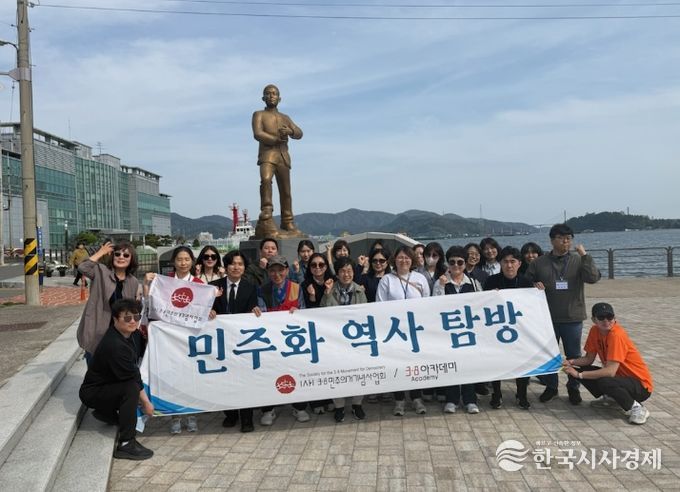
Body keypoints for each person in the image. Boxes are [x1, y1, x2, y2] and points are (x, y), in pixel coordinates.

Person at [525, 223, 601, 405]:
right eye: (561, 238)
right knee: (549, 354)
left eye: (568, 238)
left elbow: (593, 278)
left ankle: (573, 388)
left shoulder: (578, 260)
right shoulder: (539, 262)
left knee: (573, 355)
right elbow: (526, 281)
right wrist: (533, 284)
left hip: (572, 317)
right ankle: (551, 387)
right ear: (552, 240)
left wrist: (585, 256)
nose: (566, 242)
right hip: (547, 318)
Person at [79, 299, 154, 460]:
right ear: (115, 319)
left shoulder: (131, 335)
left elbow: (135, 368)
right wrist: (146, 403)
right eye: (127, 318)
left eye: (136, 317)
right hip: (93, 393)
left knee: (131, 386)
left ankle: (106, 413)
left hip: (107, 385)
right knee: (131, 389)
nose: (133, 321)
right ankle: (126, 443)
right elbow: (132, 377)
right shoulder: (114, 345)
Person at [144, 245, 204, 434]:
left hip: (189, 338)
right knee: (173, 377)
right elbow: (151, 305)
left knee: (191, 377)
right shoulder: (164, 282)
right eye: (179, 259)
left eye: (187, 259)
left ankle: (191, 415)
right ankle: (175, 416)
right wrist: (146, 286)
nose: (183, 263)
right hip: (169, 338)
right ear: (173, 262)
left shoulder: (199, 284)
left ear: (192, 262)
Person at [562, 303, 653, 425]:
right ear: (594, 320)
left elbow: (610, 372)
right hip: (621, 379)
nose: (606, 321)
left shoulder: (616, 335)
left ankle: (636, 408)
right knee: (577, 368)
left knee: (605, 381)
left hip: (641, 386)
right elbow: (588, 359)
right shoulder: (595, 331)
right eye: (601, 317)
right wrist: (570, 362)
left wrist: (579, 375)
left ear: (614, 318)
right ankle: (613, 399)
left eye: (609, 317)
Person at [209, 251, 260, 433]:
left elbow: (253, 308)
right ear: (226, 266)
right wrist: (209, 311)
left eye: (240, 264)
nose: (236, 267)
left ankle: (247, 418)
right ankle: (230, 414)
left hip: (242, 342)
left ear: (244, 268)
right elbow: (205, 308)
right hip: (220, 342)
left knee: (244, 379)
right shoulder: (213, 287)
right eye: (232, 263)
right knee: (224, 379)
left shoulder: (250, 287)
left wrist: (255, 310)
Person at [376, 245, 430, 416]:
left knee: (415, 365)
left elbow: (428, 303)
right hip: (395, 331)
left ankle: (416, 398)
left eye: (407, 257)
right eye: (400, 257)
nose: (404, 260)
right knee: (397, 365)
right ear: (394, 260)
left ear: (412, 260)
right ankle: (399, 400)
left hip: (415, 330)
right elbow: (380, 305)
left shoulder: (420, 278)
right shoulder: (386, 280)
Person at [256, 255, 310, 425]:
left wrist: (298, 312)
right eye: (272, 270)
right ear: (268, 272)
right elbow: (262, 313)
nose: (277, 274)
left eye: (280, 270)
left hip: (292, 339)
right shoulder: (262, 290)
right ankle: (268, 409)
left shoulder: (296, 287)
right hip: (271, 339)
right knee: (268, 373)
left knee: (296, 371)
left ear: (287, 270)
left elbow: (303, 309)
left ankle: (299, 407)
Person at [483, 246, 534, 410]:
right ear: (500, 263)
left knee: (522, 362)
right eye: (505, 262)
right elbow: (482, 305)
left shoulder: (526, 283)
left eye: (513, 261)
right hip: (497, 329)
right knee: (497, 361)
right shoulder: (491, 281)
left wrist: (539, 291)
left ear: (519, 263)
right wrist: (490, 296)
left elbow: (533, 308)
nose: (509, 265)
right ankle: (496, 393)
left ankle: (522, 394)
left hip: (520, 330)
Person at [433, 245, 482, 415]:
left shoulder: (473, 283)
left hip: (468, 332)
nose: (456, 266)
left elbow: (481, 304)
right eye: (452, 262)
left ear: (465, 263)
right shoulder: (440, 282)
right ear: (448, 263)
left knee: (469, 365)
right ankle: (451, 399)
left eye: (460, 262)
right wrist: (441, 286)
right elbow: (434, 306)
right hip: (448, 332)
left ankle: (470, 400)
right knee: (452, 365)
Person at [319, 257, 368, 422]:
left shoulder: (360, 291)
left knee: (359, 372)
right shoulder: (330, 289)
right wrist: (327, 294)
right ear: (337, 273)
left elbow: (365, 314)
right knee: (336, 372)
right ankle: (339, 406)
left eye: (349, 271)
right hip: (335, 340)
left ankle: (357, 404)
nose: (346, 274)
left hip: (356, 339)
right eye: (342, 271)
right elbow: (322, 313)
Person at [252, 84, 303, 237]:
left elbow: (299, 133)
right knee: (266, 179)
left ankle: (287, 221)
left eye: (274, 93)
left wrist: (291, 131)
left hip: (283, 156)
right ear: (263, 98)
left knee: (286, 191)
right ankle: (267, 211)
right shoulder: (259, 114)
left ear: (279, 98)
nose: (271, 96)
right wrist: (275, 139)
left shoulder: (285, 118)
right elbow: (258, 133)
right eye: (268, 93)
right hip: (267, 155)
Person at [76, 241, 140, 361]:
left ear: (131, 259)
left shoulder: (133, 281)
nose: (121, 257)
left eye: (126, 255)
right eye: (117, 254)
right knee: (95, 367)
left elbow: (132, 310)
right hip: (97, 330)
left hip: (119, 334)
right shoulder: (101, 271)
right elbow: (82, 267)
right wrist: (101, 252)